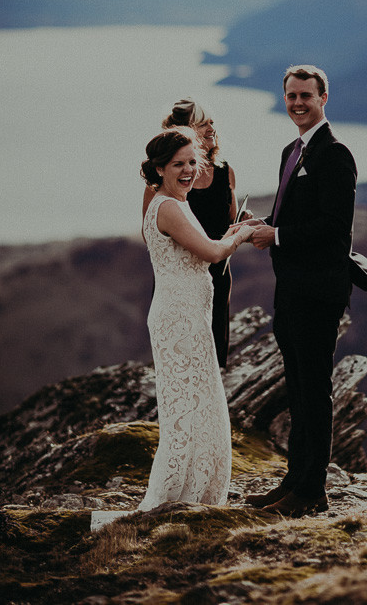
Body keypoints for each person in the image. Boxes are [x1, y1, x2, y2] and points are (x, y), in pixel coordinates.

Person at [246, 65, 357, 518]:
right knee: (297, 390)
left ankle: (313, 490)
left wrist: (278, 237)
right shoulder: (291, 150)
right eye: (290, 95)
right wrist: (265, 227)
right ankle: (293, 480)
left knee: (315, 391)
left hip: (319, 293)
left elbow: (335, 229)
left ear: (324, 97)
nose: (296, 103)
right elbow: (290, 218)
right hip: (290, 290)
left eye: (305, 96)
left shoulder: (335, 154)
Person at [137, 127, 253, 511]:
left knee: (197, 404)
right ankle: (178, 494)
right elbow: (212, 253)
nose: (188, 170)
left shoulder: (174, 202)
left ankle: (195, 492)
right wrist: (241, 235)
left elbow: (205, 251)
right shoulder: (168, 206)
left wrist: (230, 234)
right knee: (187, 407)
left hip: (189, 316)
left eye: (192, 162)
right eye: (178, 164)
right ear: (159, 168)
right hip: (180, 319)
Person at [142, 99, 243, 368]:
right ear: (183, 132)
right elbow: (151, 234)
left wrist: (243, 224)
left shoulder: (224, 172)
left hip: (218, 276)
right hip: (181, 282)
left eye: (211, 121)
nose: (211, 127)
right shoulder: (162, 184)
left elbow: (230, 218)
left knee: (214, 354)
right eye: (202, 123)